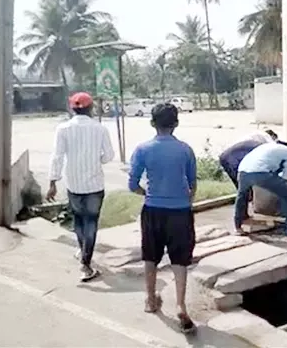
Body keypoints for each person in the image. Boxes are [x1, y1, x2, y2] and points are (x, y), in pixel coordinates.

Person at [128, 103, 197, 333]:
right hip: (180, 211)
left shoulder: (143, 149)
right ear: (176, 124)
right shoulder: (186, 150)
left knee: (150, 255)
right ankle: (180, 304)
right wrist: (186, 201)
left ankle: (150, 299)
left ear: (152, 123)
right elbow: (192, 184)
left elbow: (132, 184)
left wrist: (145, 193)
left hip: (153, 209)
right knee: (180, 260)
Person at [47, 92, 115, 282]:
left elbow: (57, 156)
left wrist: (53, 181)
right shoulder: (100, 129)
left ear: (72, 108)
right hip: (94, 185)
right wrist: (97, 160)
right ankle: (86, 263)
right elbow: (109, 155)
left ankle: (83, 252)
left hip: (73, 184)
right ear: (91, 108)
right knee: (91, 222)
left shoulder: (63, 129)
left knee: (79, 220)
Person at [234, 141, 287, 240]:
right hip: (260, 173)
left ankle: (238, 227)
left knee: (241, 196)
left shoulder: (267, 146)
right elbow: (286, 177)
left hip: (242, 171)